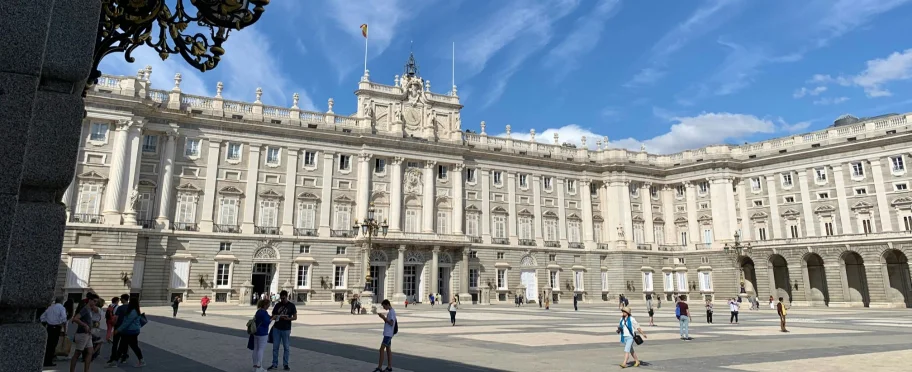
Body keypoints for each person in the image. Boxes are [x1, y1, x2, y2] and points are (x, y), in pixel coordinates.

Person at [112, 298, 146, 368]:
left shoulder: (133, 312)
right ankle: (141, 360)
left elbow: (126, 322)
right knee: (131, 346)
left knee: (124, 346)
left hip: (130, 331)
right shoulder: (135, 310)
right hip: (133, 331)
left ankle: (115, 362)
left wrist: (118, 330)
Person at [268, 290, 297, 371]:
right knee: (275, 347)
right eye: (281, 298)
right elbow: (273, 314)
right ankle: (274, 364)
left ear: (286, 297)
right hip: (277, 328)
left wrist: (289, 318)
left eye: (283, 298)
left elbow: (295, 317)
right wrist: (277, 316)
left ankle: (285, 364)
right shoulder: (277, 305)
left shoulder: (291, 306)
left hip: (286, 328)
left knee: (286, 347)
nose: (282, 300)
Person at [69, 292, 99, 372]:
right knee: (77, 354)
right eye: (94, 301)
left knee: (90, 352)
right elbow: (75, 318)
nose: (95, 303)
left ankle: (86, 370)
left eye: (96, 302)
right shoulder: (85, 309)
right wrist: (84, 325)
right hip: (82, 334)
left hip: (88, 334)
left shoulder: (90, 309)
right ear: (90, 300)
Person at [40, 296, 68, 367]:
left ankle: (45, 360)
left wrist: (47, 321)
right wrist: (60, 322)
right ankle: (49, 361)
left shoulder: (50, 308)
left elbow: (42, 317)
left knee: (48, 344)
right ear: (62, 301)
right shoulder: (61, 308)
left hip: (49, 327)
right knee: (53, 345)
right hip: (56, 327)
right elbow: (64, 318)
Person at [106, 294, 131, 365]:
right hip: (126, 328)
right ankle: (124, 357)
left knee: (115, 343)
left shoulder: (120, 308)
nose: (120, 300)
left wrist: (113, 324)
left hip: (118, 326)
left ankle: (113, 357)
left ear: (123, 299)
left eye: (121, 299)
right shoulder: (131, 308)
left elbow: (116, 318)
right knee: (125, 343)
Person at [374, 299, 397, 372]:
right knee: (388, 350)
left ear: (387, 304)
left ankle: (379, 367)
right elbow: (388, 322)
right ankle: (389, 367)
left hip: (388, 334)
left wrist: (384, 317)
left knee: (381, 350)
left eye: (384, 306)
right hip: (388, 333)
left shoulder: (392, 312)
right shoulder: (390, 312)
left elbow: (391, 323)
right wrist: (383, 318)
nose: (384, 308)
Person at [251, 299, 272, 372]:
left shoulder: (258, 311)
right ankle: (259, 367)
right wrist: (272, 319)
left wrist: (271, 317)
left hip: (256, 332)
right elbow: (267, 322)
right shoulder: (264, 312)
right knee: (261, 349)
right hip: (263, 333)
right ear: (265, 305)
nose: (269, 306)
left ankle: (255, 366)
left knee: (255, 349)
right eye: (268, 305)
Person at [91, 297, 107, 362]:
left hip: (94, 325)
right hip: (94, 325)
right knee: (94, 340)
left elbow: (91, 306)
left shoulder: (97, 309)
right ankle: (93, 352)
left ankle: (93, 353)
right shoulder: (99, 309)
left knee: (94, 340)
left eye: (96, 301)